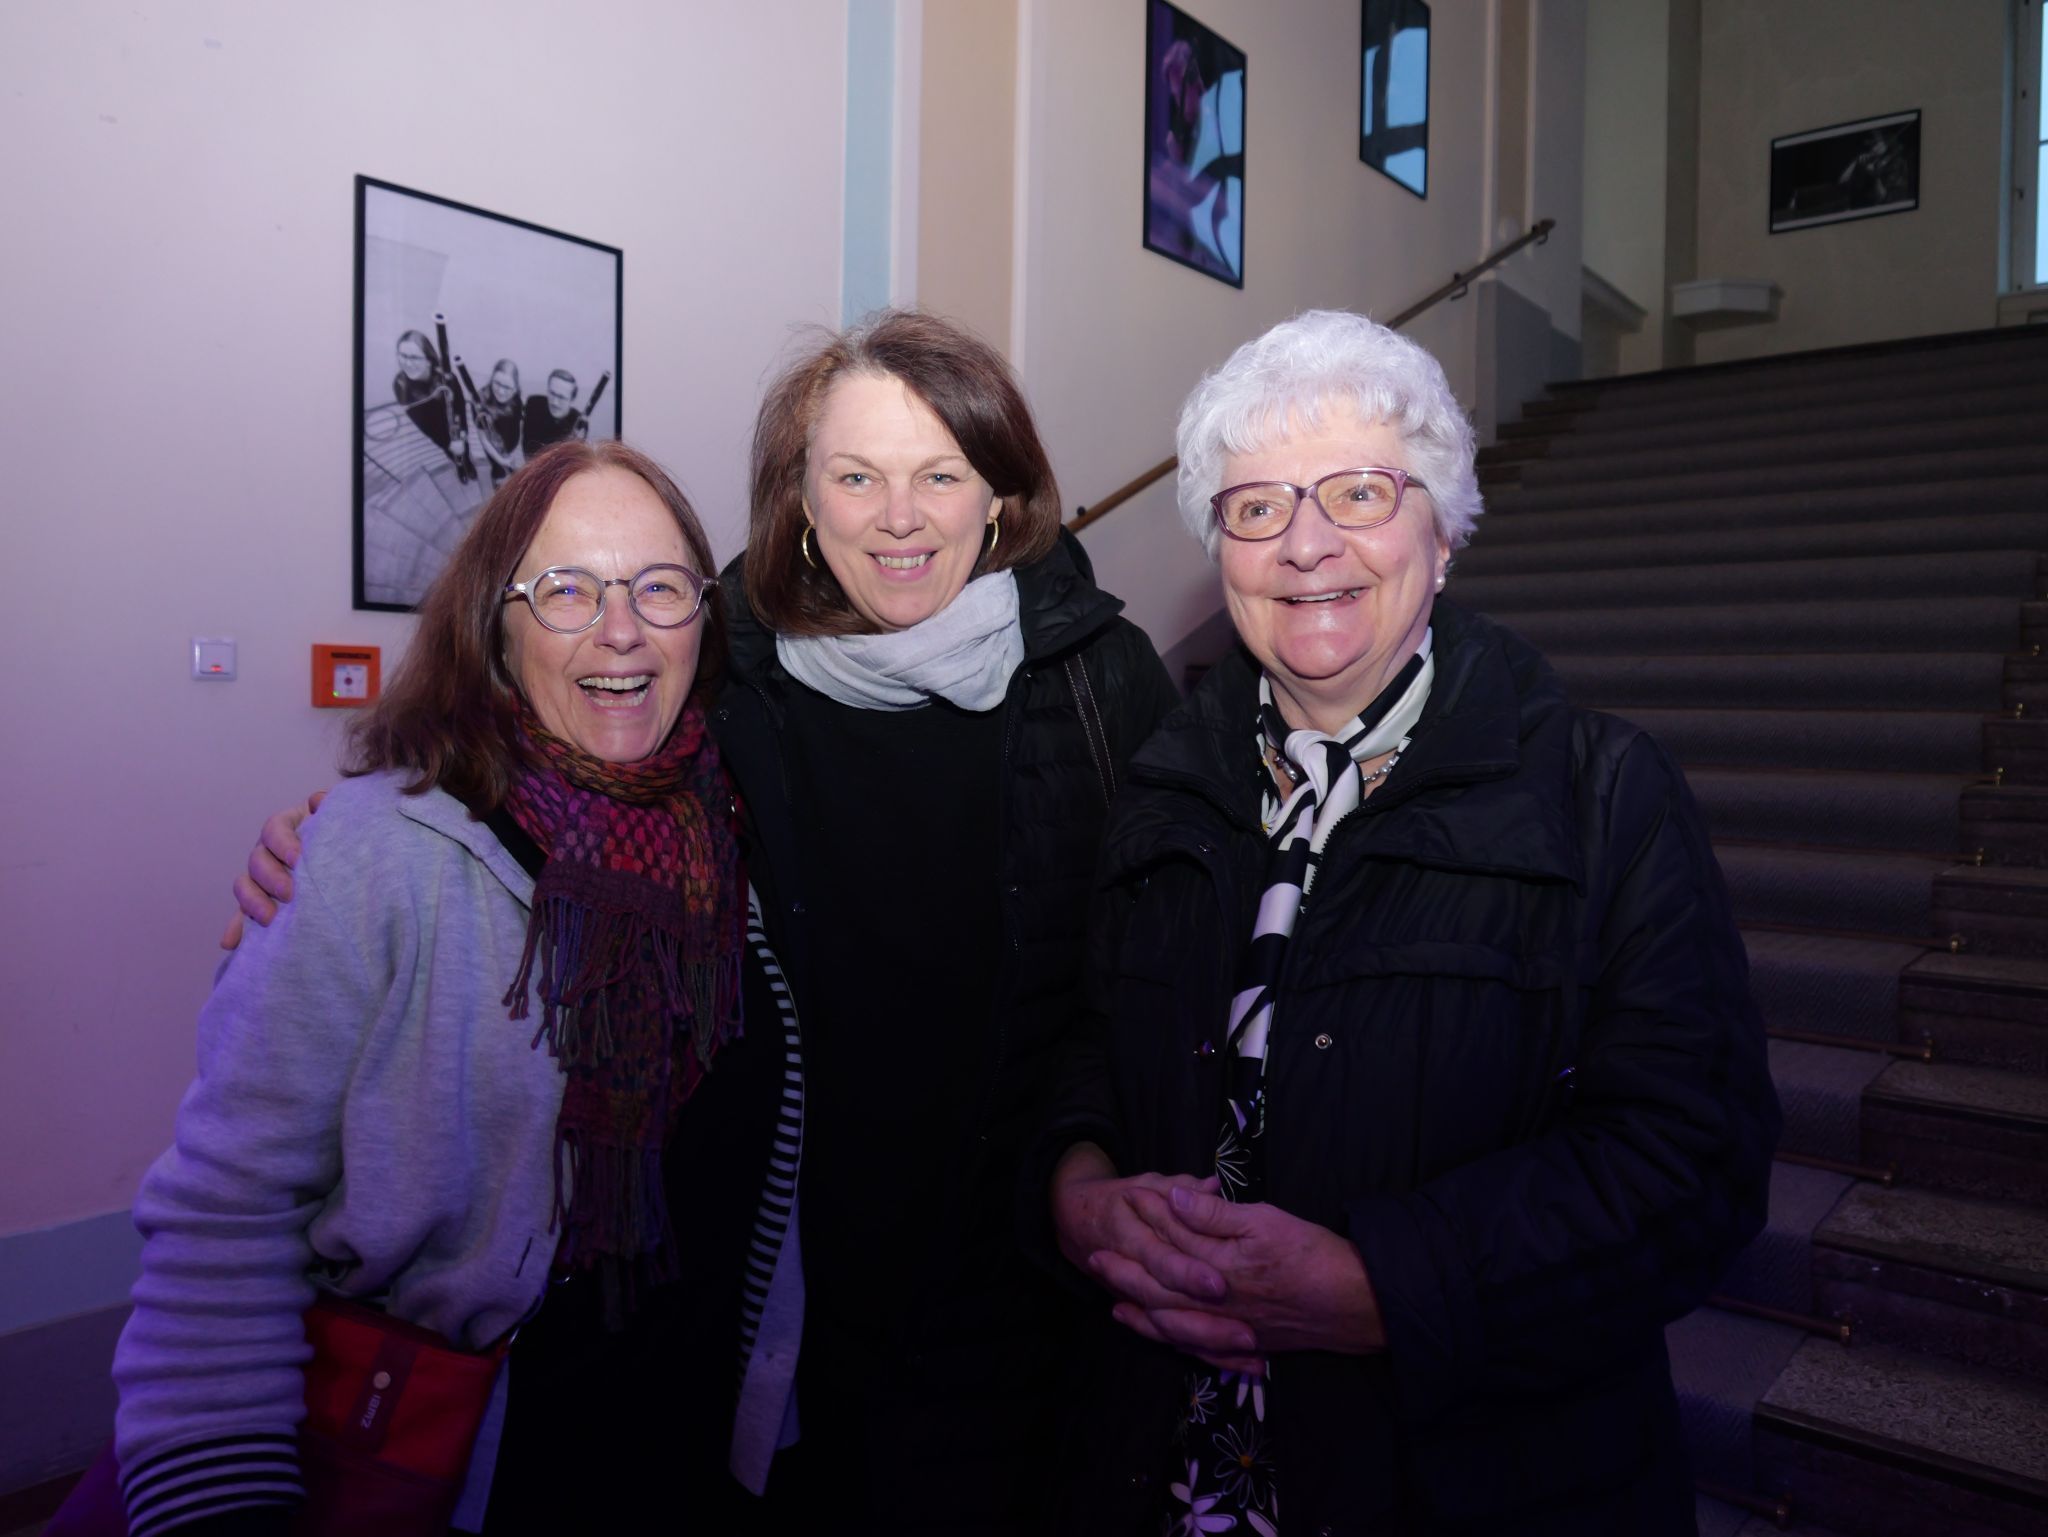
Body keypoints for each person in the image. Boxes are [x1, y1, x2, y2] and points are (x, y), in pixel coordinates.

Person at [234, 310, 1180, 1532]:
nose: (899, 515)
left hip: (1011, 1292)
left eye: (940, 472)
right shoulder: (730, 670)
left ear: (999, 496)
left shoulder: (1107, 679)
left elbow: (1158, 962)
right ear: (797, 500)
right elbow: (551, 773)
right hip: (776, 1305)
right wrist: (336, 837)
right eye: (855, 476)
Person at [1040, 310, 1779, 1535]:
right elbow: (1083, 1043)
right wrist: (1074, 1186)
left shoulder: (1601, 795)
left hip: (1476, 1478)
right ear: (1220, 549)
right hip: (1164, 1475)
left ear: (1440, 535)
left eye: (1360, 492)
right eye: (1258, 505)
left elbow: (1691, 1161)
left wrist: (1382, 1284)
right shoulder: (1158, 784)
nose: (1307, 544)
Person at [118, 441, 799, 1536]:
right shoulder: (371, 854)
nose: (618, 629)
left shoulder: (744, 839)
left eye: (659, 587)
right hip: (472, 1467)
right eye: (566, 589)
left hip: (690, 1453)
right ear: (497, 621)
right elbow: (227, 1215)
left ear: (703, 620)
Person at [392, 328, 458, 456]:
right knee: (453, 455)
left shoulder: (447, 377)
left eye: (415, 357)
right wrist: (448, 444)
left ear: (429, 360)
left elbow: (459, 407)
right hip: (440, 432)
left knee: (464, 452)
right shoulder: (400, 385)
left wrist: (462, 435)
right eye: (402, 356)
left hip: (456, 427)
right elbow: (426, 426)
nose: (407, 364)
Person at [472, 358, 525, 484]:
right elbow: (483, 438)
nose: (501, 391)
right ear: (491, 379)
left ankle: (510, 473)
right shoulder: (480, 402)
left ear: (515, 388)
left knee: (512, 469)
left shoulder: (517, 399)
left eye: (507, 387)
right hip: (493, 449)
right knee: (499, 471)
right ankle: (498, 481)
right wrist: (500, 460)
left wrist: (516, 452)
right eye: (497, 383)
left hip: (510, 444)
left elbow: (519, 424)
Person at [522, 369, 585, 455]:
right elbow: (528, 450)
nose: (554, 402)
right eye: (552, 393)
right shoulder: (533, 404)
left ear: (572, 399)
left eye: (561, 397)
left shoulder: (579, 422)